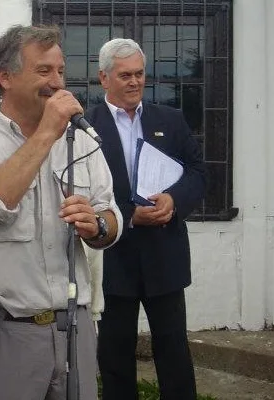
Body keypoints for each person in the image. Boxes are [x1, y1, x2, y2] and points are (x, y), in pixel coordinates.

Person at [0, 25, 123, 400]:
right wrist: (45, 134)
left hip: (74, 330)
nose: (56, 83)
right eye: (43, 71)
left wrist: (97, 225)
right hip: (3, 333)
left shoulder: (81, 140)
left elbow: (112, 217)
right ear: (4, 77)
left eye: (60, 71)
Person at [85, 38, 207, 400]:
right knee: (114, 355)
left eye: (140, 74)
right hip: (113, 257)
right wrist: (128, 215)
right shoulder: (84, 128)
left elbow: (198, 172)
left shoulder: (169, 119)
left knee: (173, 351)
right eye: (125, 75)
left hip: (164, 253)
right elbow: (77, 190)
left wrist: (174, 198)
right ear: (103, 78)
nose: (135, 82)